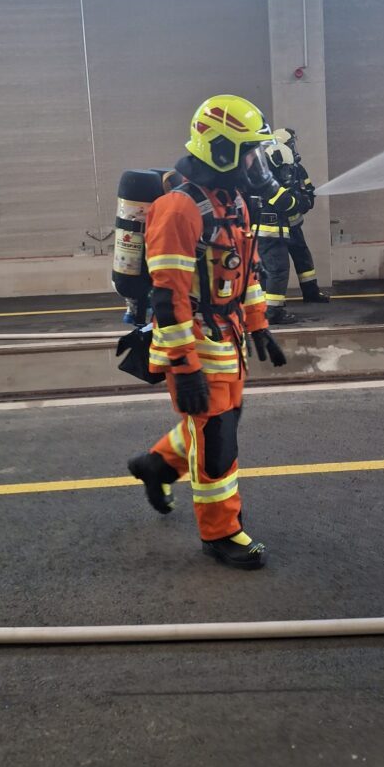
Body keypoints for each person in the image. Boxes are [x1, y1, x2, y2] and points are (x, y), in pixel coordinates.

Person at [127, 95, 287, 570]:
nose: (256, 164)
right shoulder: (178, 209)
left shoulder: (232, 201)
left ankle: (156, 465)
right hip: (194, 341)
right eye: (250, 153)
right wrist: (185, 366)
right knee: (217, 438)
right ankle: (220, 533)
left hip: (228, 337)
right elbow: (168, 296)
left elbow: (246, 271)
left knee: (222, 419)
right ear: (221, 150)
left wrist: (259, 325)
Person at [258, 127, 330, 325]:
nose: (293, 148)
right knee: (276, 268)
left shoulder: (297, 168)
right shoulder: (268, 171)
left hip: (293, 225)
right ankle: (272, 310)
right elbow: (279, 199)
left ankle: (311, 292)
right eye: (291, 144)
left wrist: (305, 200)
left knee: (303, 258)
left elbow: (308, 190)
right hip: (275, 229)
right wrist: (294, 201)